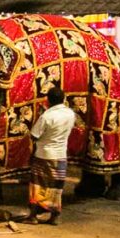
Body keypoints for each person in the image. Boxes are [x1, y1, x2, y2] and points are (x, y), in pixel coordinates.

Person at [26, 87, 77, 225]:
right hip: (60, 155)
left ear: (48, 100)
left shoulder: (46, 116)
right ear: (63, 99)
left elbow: (34, 135)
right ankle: (55, 215)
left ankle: (34, 215)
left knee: (39, 184)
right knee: (56, 185)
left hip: (44, 155)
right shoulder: (70, 114)